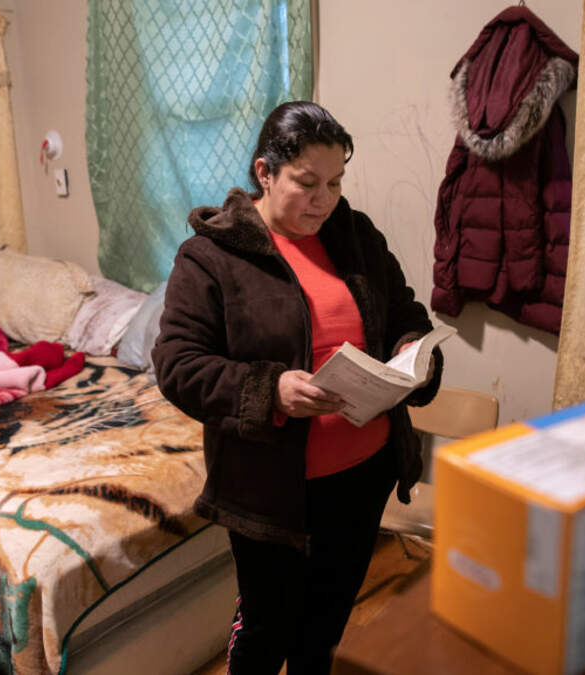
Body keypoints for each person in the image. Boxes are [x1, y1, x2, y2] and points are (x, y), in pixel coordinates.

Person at [152, 101, 444, 674]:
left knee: (326, 626)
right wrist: (271, 390)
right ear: (265, 172)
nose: (324, 200)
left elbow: (405, 312)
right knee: (265, 629)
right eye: (307, 183)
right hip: (271, 489)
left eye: (335, 183)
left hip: (363, 475)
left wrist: (412, 348)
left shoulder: (354, 236)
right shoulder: (211, 256)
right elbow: (178, 365)